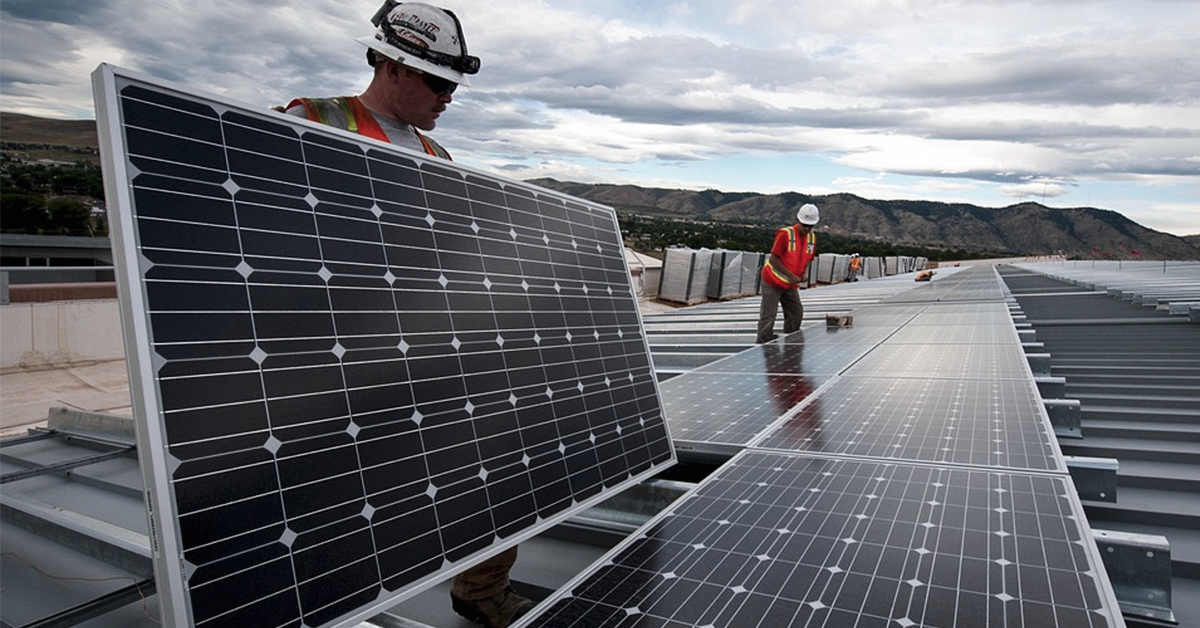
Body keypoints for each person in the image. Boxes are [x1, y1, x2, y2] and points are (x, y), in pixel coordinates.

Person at [283, 4, 533, 627]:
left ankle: (482, 589)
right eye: (437, 82)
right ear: (393, 66)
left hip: (416, 342)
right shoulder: (311, 120)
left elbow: (443, 255)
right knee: (331, 496)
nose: (448, 97)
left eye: (453, 85)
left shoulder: (436, 155)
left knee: (498, 451)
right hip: (332, 351)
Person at [756, 203, 819, 344]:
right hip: (773, 280)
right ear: (799, 221)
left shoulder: (812, 239)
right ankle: (763, 343)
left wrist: (804, 273)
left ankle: (791, 341)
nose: (807, 229)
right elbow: (773, 259)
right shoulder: (786, 234)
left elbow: (808, 258)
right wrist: (790, 275)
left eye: (810, 226)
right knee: (769, 315)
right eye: (805, 225)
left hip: (790, 283)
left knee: (796, 312)